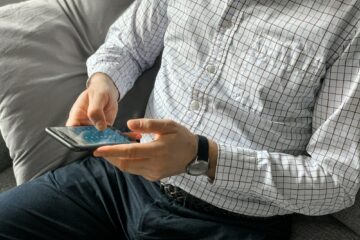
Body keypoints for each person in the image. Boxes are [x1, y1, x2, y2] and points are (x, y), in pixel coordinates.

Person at [1, 0, 360, 239]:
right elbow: (129, 44)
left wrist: (202, 157)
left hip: (229, 222)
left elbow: (336, 181)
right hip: (118, 180)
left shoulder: (349, 20)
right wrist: (104, 83)